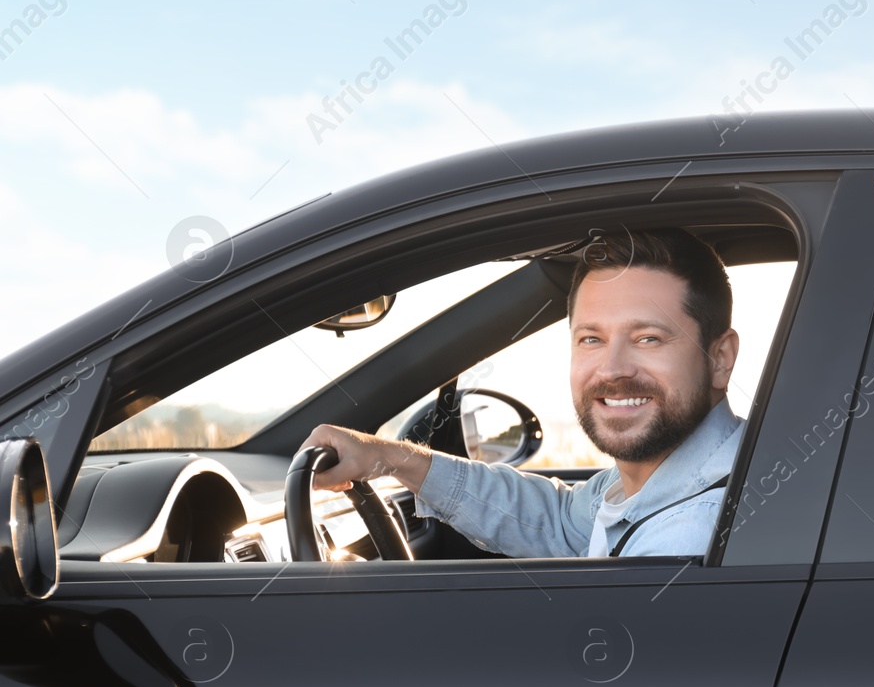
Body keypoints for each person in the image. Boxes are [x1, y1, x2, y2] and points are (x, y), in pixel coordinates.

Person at [297, 228, 745, 557]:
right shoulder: (660, 481)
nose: (612, 368)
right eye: (592, 339)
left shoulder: (689, 531)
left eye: (648, 338)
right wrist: (391, 458)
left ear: (720, 358)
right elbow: (559, 522)